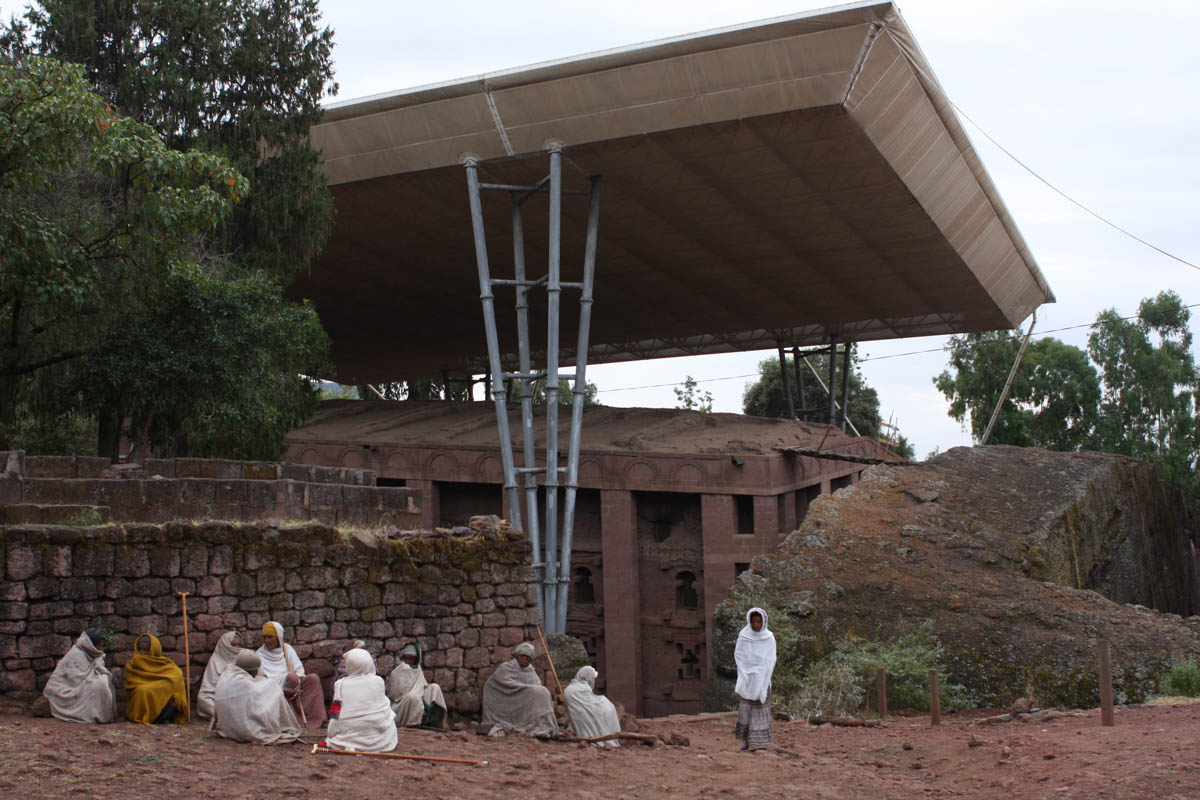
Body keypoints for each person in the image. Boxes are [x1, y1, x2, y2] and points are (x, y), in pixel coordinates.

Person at [212, 650, 302, 745]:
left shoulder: (225, 676)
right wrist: (277, 689)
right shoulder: (246, 685)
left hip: (227, 729)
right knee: (272, 686)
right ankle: (281, 725)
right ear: (254, 671)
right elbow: (261, 689)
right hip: (245, 731)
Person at [324, 648, 398, 752]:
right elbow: (384, 711)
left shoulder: (340, 684)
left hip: (347, 736)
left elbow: (335, 713)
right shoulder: (378, 681)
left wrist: (331, 733)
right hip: (379, 739)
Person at [256, 621, 326, 729]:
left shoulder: (287, 649)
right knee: (291, 678)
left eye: (270, 637)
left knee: (313, 678)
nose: (267, 640)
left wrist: (297, 680)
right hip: (274, 690)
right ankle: (293, 720)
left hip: (294, 686)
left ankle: (314, 718)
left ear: (278, 637)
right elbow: (261, 679)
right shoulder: (259, 654)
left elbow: (299, 671)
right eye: (264, 637)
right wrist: (286, 682)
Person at [481, 641, 559, 737]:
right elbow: (501, 683)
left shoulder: (530, 671)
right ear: (517, 656)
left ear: (530, 659)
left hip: (523, 703)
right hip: (505, 700)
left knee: (543, 692)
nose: (524, 658)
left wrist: (529, 691)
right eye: (522, 656)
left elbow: (537, 687)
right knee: (538, 691)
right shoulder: (506, 668)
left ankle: (545, 725)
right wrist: (526, 689)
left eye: (527, 657)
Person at [42, 628, 116, 724]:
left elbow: (98, 669)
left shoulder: (94, 655)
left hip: (84, 684)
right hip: (67, 690)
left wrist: (98, 666)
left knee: (105, 681)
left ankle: (104, 715)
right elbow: (76, 679)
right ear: (92, 643)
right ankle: (96, 715)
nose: (101, 647)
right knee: (101, 684)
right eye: (99, 644)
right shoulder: (76, 654)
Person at [734, 607, 776, 751]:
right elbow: (739, 656)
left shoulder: (769, 638)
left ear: (764, 622)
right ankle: (746, 741)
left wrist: (762, 674)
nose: (756, 625)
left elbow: (770, 660)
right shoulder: (744, 636)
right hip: (747, 678)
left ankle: (761, 743)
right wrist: (746, 671)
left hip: (762, 679)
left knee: (760, 709)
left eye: (759, 622)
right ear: (749, 622)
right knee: (746, 710)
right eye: (754, 622)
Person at [124, 633, 189, 725]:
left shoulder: (167, 666)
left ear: (154, 650)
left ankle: (160, 718)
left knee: (148, 691)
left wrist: (152, 689)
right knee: (141, 691)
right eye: (140, 649)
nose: (142, 653)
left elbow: (175, 677)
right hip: (139, 706)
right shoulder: (132, 665)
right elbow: (132, 685)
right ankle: (142, 717)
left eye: (146, 650)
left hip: (164, 708)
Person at [386, 642, 447, 728]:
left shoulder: (417, 670)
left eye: (411, 659)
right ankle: (414, 724)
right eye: (406, 659)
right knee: (413, 698)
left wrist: (420, 693)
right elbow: (395, 695)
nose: (408, 662)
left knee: (434, 688)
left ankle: (434, 721)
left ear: (416, 659)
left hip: (419, 695)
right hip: (402, 703)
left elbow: (422, 685)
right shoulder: (397, 672)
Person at [563, 665, 620, 746]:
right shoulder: (583, 689)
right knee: (607, 706)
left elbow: (567, 714)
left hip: (577, 721)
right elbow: (589, 704)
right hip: (581, 719)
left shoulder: (569, 689)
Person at [196, 630, 242, 720]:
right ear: (225, 645)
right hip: (218, 696)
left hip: (237, 694)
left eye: (238, 645)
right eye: (233, 645)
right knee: (204, 700)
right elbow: (208, 687)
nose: (236, 648)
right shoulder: (215, 660)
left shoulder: (242, 658)